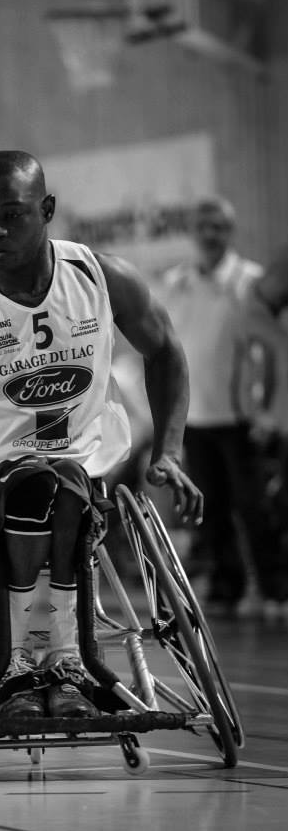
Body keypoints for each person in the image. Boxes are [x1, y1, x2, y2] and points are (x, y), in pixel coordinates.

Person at [0, 150, 202, 719]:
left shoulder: (101, 278)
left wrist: (169, 451)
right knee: (33, 483)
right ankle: (30, 667)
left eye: (12, 214)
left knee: (64, 480)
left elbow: (167, 351)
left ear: (47, 209)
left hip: (88, 470)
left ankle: (61, 664)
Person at [162, 197, 288, 618]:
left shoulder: (250, 281)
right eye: (204, 226)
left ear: (229, 232)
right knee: (209, 510)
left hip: (240, 419)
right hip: (195, 419)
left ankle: (276, 589)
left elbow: (269, 352)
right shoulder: (175, 283)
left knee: (254, 509)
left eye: (219, 227)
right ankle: (225, 587)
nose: (210, 234)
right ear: (193, 230)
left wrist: (267, 409)